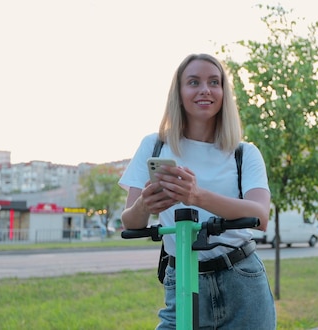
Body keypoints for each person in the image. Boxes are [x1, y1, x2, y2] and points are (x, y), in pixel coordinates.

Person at [118, 53, 276, 329]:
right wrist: (145, 204)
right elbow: (130, 222)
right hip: (182, 280)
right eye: (194, 82)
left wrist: (196, 196)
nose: (205, 90)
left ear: (224, 92)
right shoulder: (154, 146)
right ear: (178, 93)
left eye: (214, 82)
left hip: (242, 279)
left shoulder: (244, 153)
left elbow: (260, 216)